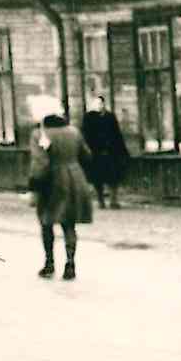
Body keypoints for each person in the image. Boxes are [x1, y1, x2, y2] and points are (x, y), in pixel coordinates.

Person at [27, 109, 96, 281]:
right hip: (74, 179)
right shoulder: (74, 131)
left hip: (51, 182)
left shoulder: (39, 134)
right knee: (69, 224)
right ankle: (70, 265)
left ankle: (49, 264)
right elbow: (87, 155)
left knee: (46, 222)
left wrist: (34, 187)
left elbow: (40, 163)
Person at [80, 94, 129, 209]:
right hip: (96, 152)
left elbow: (117, 134)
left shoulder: (110, 116)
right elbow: (86, 135)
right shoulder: (89, 118)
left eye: (101, 103)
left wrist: (122, 150)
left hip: (111, 151)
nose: (99, 106)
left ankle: (113, 200)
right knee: (98, 177)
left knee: (113, 177)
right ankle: (101, 199)